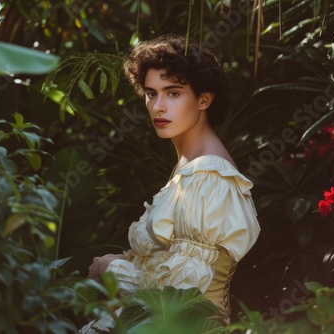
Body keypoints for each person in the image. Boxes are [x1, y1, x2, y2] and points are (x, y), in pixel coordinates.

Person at [81, 34, 261, 333]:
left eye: (173, 93)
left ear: (204, 99)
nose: (158, 106)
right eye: (151, 93)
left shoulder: (209, 176)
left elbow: (178, 295)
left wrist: (109, 268)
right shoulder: (189, 167)